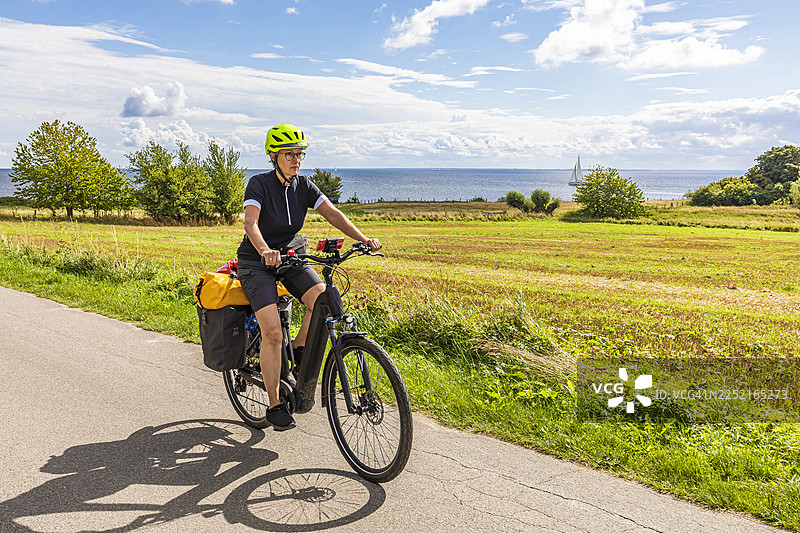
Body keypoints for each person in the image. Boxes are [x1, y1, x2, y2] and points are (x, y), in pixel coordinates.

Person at [236, 124, 381, 431]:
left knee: (324, 302)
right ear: (274, 156)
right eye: (289, 154)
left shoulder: (304, 185)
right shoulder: (258, 184)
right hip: (257, 263)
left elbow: (333, 214)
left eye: (299, 154)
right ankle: (275, 403)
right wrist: (264, 250)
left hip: (291, 256)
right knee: (274, 333)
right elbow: (251, 224)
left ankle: (301, 348)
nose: (296, 160)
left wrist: (364, 238)